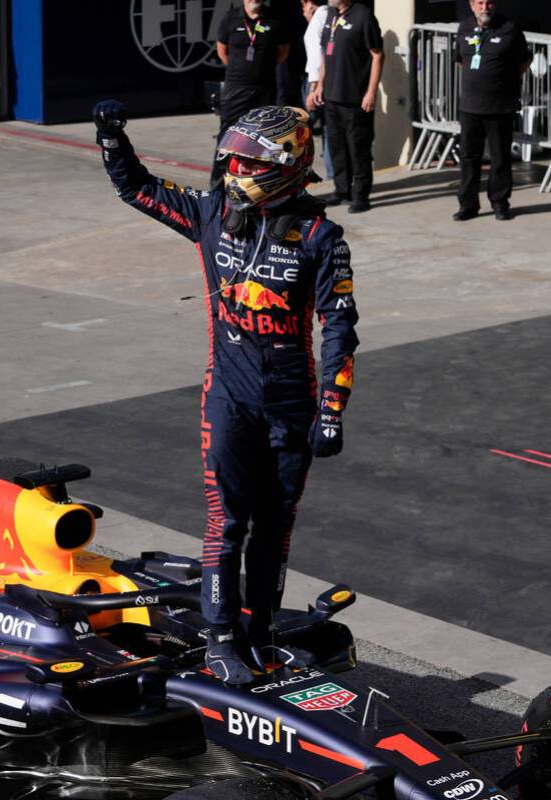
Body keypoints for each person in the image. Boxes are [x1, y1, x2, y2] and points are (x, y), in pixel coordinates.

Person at [93, 100, 358, 685]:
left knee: (276, 526)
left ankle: (260, 631)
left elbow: (339, 328)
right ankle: (218, 638)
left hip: (292, 406)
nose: (233, 175)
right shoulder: (210, 213)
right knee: (227, 521)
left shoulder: (322, 237)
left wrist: (332, 412)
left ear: (286, 165)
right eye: (230, 163)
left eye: (245, 165)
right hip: (229, 399)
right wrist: (112, 137)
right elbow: (136, 189)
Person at [452, 0, 531, 221]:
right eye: (479, 2)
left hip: (499, 107)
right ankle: (468, 205)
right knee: (469, 158)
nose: (484, 7)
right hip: (470, 107)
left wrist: (501, 82)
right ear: (471, 5)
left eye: (489, 2)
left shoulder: (509, 29)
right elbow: (460, 60)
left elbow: (524, 61)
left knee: (500, 158)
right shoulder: (464, 28)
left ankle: (499, 203)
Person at [307, 0, 383, 214]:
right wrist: (320, 84)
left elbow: (377, 55)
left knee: (358, 149)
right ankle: (342, 190)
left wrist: (371, 92)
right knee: (337, 147)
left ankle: (361, 195)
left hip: (355, 98)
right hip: (332, 96)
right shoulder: (331, 14)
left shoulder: (363, 16)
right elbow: (324, 52)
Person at [210, 0, 290, 189]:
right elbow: (222, 50)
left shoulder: (275, 20)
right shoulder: (231, 18)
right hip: (235, 90)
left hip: (264, 89)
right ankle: (217, 189)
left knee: (263, 140)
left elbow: (283, 52)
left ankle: (258, 187)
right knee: (228, 137)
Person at [301, 0, 336, 181]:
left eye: (303, 6)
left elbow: (317, 52)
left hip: (316, 81)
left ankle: (300, 170)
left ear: (310, 4)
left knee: (301, 130)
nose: (303, 11)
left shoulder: (323, 14)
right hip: (321, 80)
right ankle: (332, 174)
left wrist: (314, 87)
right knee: (327, 128)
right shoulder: (325, 16)